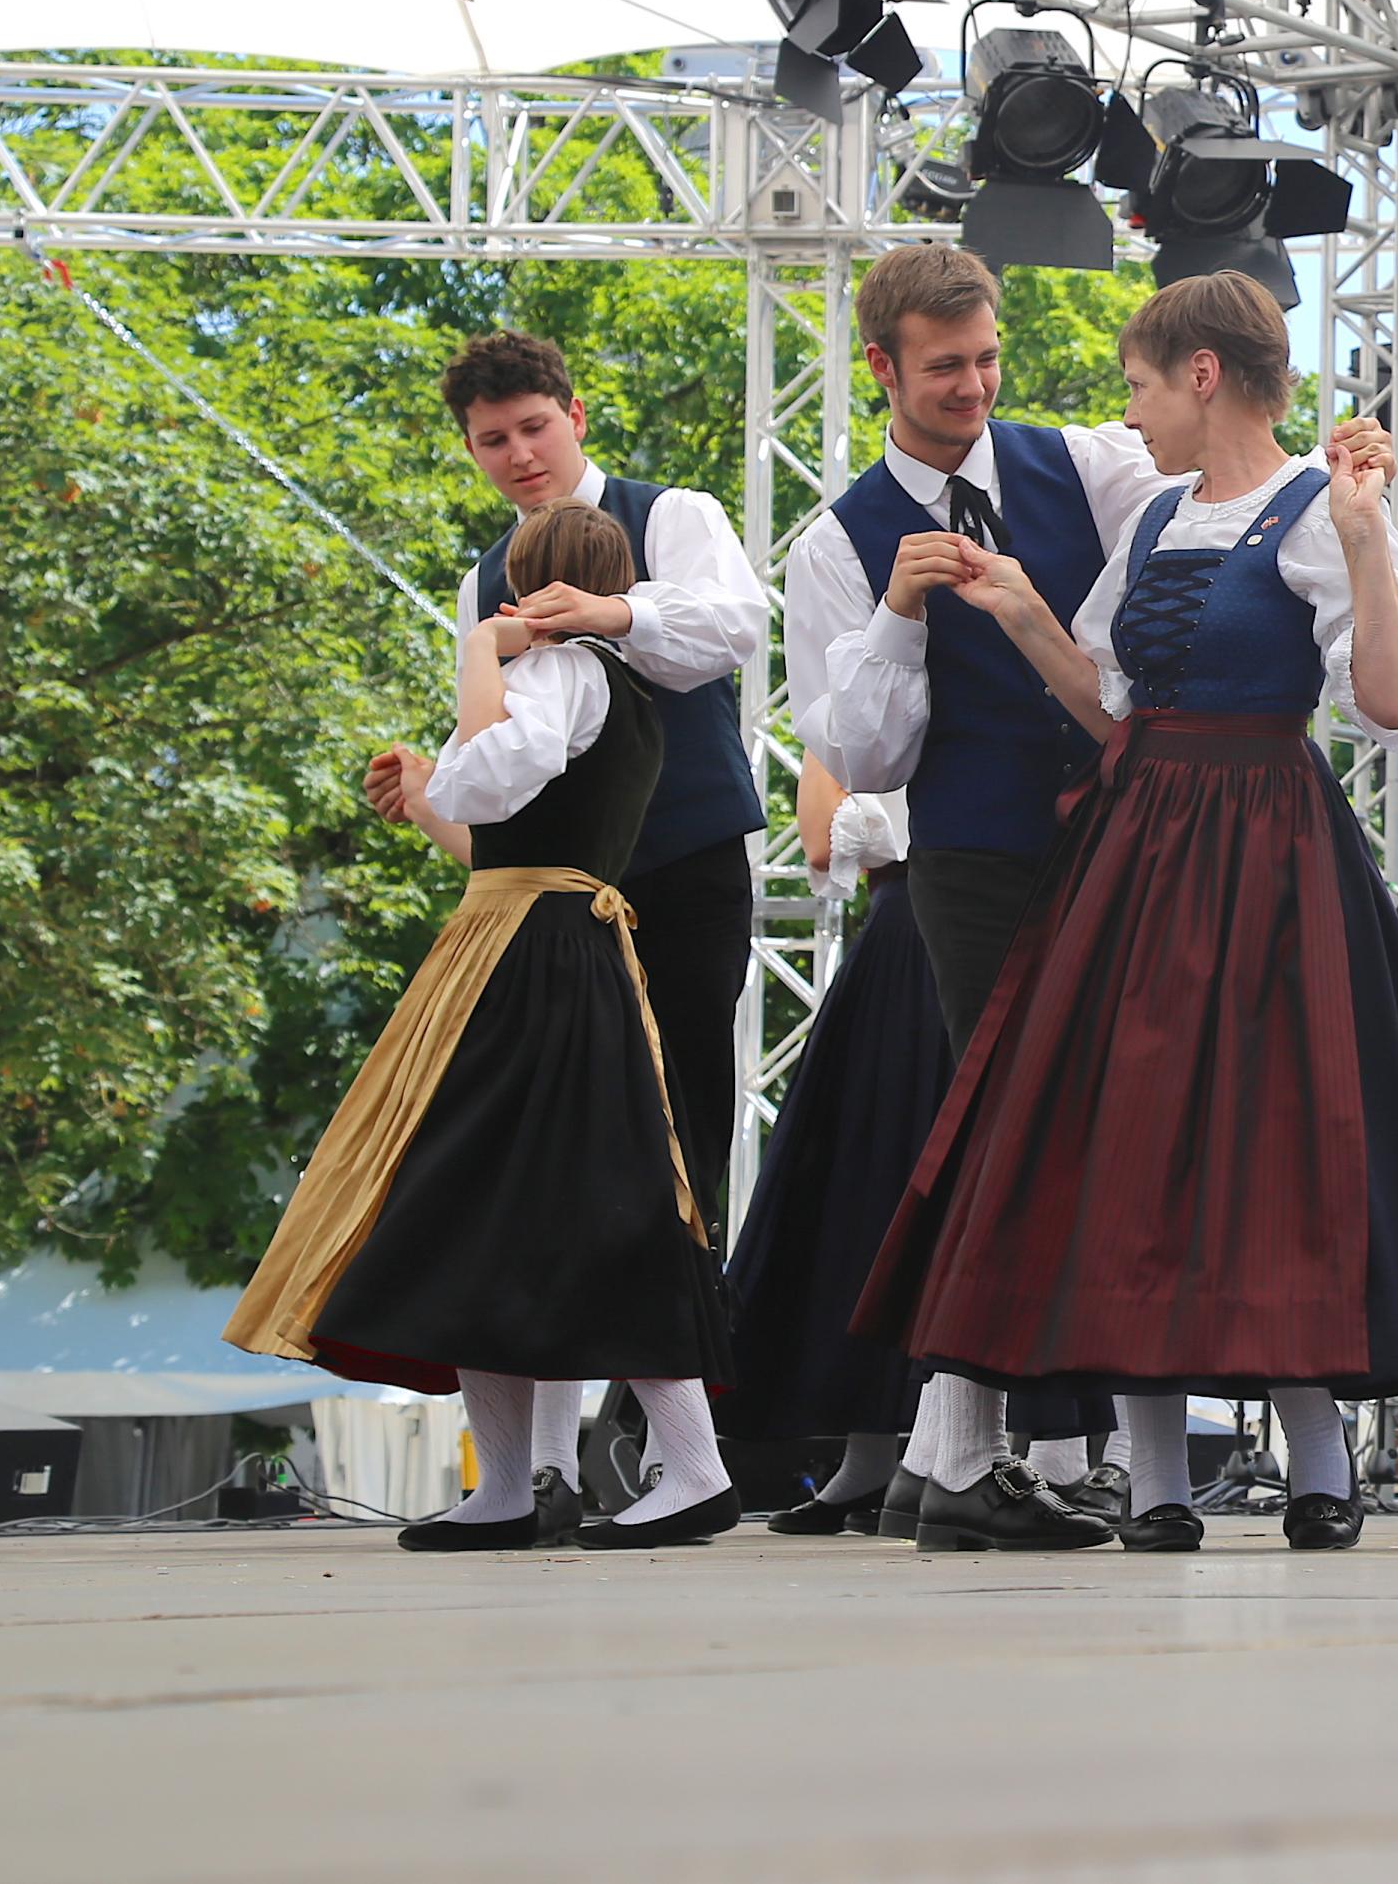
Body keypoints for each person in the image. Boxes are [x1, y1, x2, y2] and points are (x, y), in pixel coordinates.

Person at [855, 270, 1398, 1553]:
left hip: (1267, 847)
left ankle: (1320, 1458)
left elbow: (1394, 705)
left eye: (1140, 386)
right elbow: (1113, 705)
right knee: (1128, 1144)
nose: (1132, 413)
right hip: (1134, 847)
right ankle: (1157, 1478)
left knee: (1277, 1140)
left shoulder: (1320, 512)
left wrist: (1365, 535)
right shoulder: (1159, 514)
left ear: (1202, 375)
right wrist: (1021, 612)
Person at [232, 502, 738, 1550]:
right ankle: (515, 1483)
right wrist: (428, 799)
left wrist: (479, 654)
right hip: (545, 943)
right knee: (492, 1211)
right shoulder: (625, 690)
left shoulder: (559, 674)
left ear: (525, 589)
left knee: (517, 1199)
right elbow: (501, 835)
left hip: (531, 962)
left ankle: (685, 1471)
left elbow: (488, 778)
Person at [785, 242, 1171, 1550]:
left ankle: (1006, 1455)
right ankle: (961, 1456)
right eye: (945, 365)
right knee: (1004, 1134)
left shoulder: (1087, 466)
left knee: (1098, 1138)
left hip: (1120, 841)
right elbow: (861, 758)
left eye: (987, 358)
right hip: (972, 859)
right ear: (882, 367)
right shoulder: (837, 544)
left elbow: (1199, 535)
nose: (974, 384)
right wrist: (900, 617)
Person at [367, 332, 764, 1500]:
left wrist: (609, 610)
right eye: (491, 439)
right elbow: (495, 766)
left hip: (679, 870)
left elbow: (731, 629)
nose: (518, 454)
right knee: (545, 1160)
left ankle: (668, 1444)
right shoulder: (484, 579)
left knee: (673, 1142)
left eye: (533, 427)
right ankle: (544, 1466)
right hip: (551, 907)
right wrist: (430, 791)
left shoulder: (671, 514)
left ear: (576, 415)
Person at [720, 761, 1115, 1545]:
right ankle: (891, 1459)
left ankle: (1007, 1454)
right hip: (914, 927)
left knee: (958, 1182)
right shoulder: (877, 710)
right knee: (882, 1193)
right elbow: (828, 839)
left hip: (956, 916)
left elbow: (834, 832)